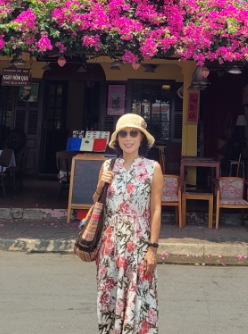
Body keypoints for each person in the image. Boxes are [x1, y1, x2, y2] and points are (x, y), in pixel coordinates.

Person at [94, 113, 163, 333]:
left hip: (139, 242)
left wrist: (152, 248)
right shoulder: (108, 166)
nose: (128, 137)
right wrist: (100, 185)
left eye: (134, 133)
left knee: (140, 295)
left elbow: (156, 209)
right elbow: (97, 203)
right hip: (110, 243)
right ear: (117, 139)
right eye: (123, 133)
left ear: (142, 137)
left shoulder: (153, 168)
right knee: (110, 293)